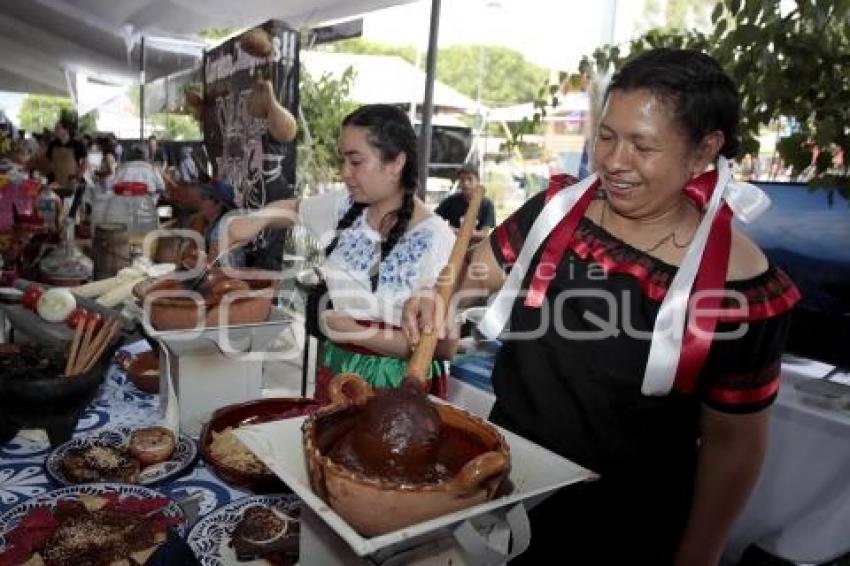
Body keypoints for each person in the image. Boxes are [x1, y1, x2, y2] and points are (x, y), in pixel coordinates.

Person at [402, 48, 800, 565]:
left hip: (624, 525)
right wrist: (437, 299)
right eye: (606, 136)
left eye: (642, 145)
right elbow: (472, 278)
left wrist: (699, 556)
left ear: (705, 149)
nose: (613, 161)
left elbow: (733, 446)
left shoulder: (740, 286)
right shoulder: (557, 212)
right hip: (502, 480)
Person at [228, 104, 457, 402]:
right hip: (340, 369)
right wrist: (248, 224)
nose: (345, 173)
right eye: (343, 160)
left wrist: (356, 333)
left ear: (396, 162)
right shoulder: (343, 206)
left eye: (356, 161)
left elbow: (444, 346)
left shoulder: (436, 239)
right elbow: (293, 208)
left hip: (398, 386)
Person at [434, 164, 495, 242]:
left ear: (478, 181)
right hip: (453, 245)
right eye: (462, 179)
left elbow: (483, 234)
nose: (466, 183)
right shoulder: (451, 201)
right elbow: (434, 220)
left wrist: (457, 232)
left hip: (476, 248)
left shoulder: (487, 204)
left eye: (470, 179)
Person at [197, 180, 245, 267]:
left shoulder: (222, 226)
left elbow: (211, 263)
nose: (200, 202)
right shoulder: (210, 224)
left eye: (204, 199)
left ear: (218, 204)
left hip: (229, 277)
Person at [46, 117, 87, 186]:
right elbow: (49, 161)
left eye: (58, 128)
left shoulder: (77, 144)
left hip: (71, 181)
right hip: (55, 181)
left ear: (66, 130)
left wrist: (78, 177)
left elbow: (85, 163)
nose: (55, 130)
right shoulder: (53, 144)